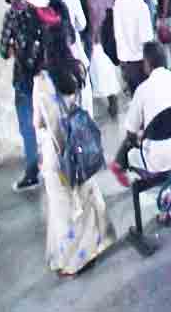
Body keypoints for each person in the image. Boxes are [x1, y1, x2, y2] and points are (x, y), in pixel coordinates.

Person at [33, 23, 115, 275]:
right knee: (86, 196)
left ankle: (73, 261)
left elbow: (39, 122)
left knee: (64, 209)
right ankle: (95, 246)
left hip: (57, 153)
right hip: (80, 145)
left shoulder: (42, 81)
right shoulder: (77, 70)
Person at [108, 42, 171, 187]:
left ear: (146, 64)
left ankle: (123, 169)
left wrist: (144, 135)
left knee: (132, 152)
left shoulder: (142, 90)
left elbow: (131, 132)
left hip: (158, 160)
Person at [0, 0, 43, 192]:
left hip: (22, 77)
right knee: (46, 122)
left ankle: (32, 173)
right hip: (41, 75)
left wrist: (13, 49)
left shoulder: (11, 15)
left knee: (27, 127)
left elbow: (2, 50)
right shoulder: (35, 10)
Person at [114, 0, 155, 94]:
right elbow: (146, 39)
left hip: (126, 63)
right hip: (141, 63)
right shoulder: (140, 4)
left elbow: (118, 34)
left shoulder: (119, 1)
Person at [86, 0, 120, 118]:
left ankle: (110, 98)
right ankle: (113, 97)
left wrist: (93, 35)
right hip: (110, 33)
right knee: (109, 66)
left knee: (100, 68)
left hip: (98, 34)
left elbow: (94, 15)